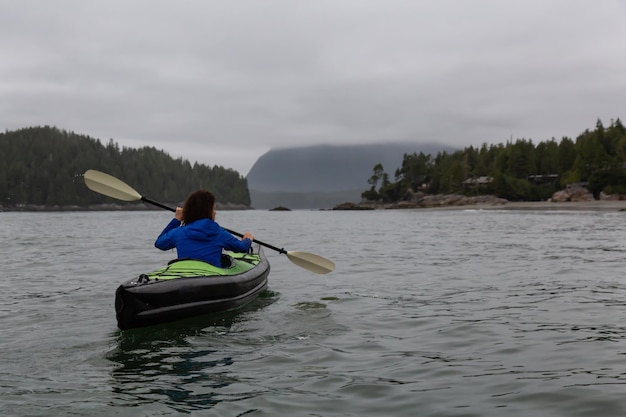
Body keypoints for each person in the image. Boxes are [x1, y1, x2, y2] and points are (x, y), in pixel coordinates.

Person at [154, 190, 254, 267]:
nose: (215, 212)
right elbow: (242, 248)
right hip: (212, 280)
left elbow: (160, 243)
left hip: (185, 278)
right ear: (207, 211)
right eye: (213, 209)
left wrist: (176, 219)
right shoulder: (219, 233)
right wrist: (248, 239)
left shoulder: (179, 232)